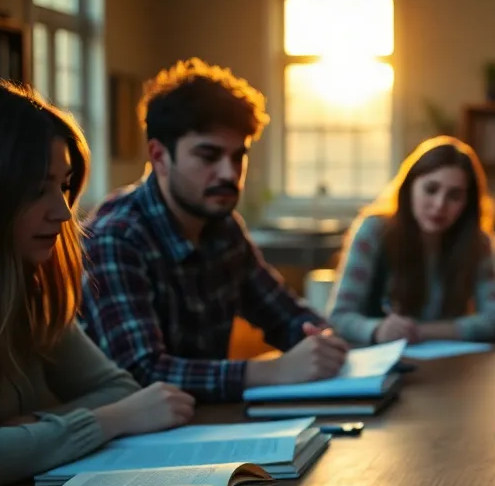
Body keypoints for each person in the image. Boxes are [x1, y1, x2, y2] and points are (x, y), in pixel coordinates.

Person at [0, 82, 194, 486]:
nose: (62, 212)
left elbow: (117, 388)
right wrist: (112, 420)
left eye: (64, 186)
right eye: (38, 190)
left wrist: (31, 427)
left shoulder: (24, 286)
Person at [80, 58, 348, 403]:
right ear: (159, 156)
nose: (228, 173)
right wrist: (275, 371)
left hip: (204, 425)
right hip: (127, 443)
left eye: (238, 157)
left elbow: (285, 314)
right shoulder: (116, 236)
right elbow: (142, 373)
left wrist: (321, 341)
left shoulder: (222, 227)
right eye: (209, 156)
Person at [327, 137, 495, 345]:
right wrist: (377, 330)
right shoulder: (373, 232)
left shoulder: (478, 242)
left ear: (467, 204)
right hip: (379, 364)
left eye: (455, 196)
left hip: (450, 365)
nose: (440, 205)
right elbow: (339, 317)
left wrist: (421, 331)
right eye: (431, 190)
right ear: (409, 187)